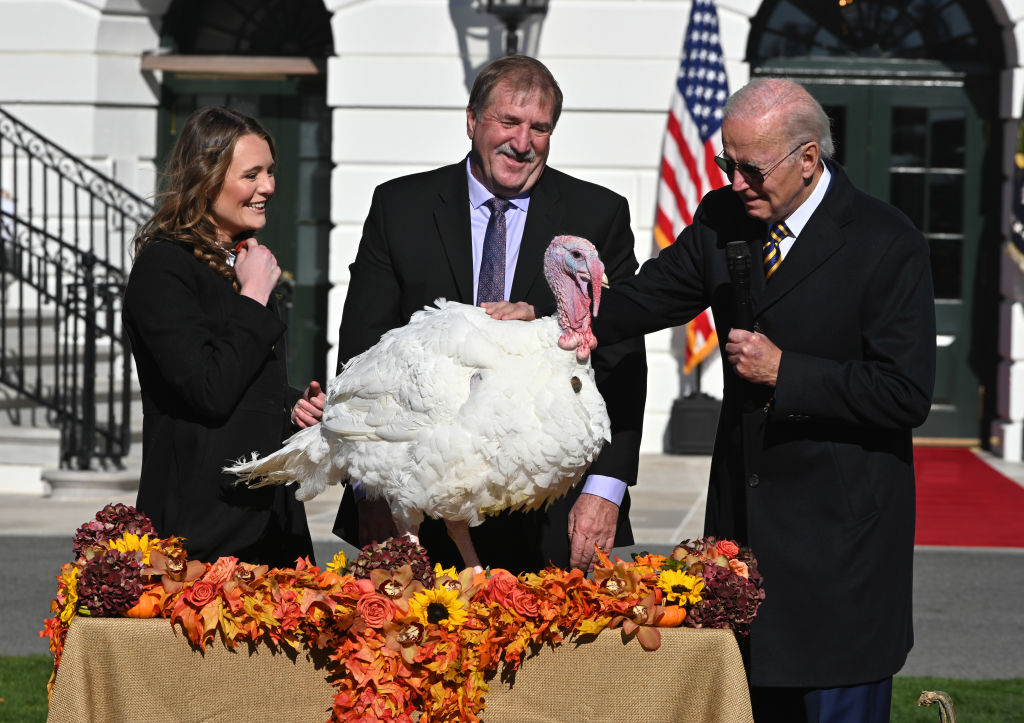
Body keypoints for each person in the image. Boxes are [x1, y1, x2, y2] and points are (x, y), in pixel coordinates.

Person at [490, 78, 936, 721]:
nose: (735, 181)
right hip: (743, 540)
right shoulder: (725, 216)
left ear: (808, 160)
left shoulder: (886, 242)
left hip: (842, 551)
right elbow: (646, 300)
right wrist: (548, 316)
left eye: (750, 168)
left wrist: (789, 372)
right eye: (726, 163)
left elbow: (906, 393)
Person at [332, 55, 648, 574]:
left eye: (540, 128)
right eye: (509, 122)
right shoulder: (400, 207)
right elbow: (362, 352)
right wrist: (369, 488)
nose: (523, 143)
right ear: (472, 120)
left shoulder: (597, 215)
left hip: (549, 510)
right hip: (418, 504)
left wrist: (606, 490)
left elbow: (621, 362)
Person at [123, 106, 326, 568]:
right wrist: (254, 295)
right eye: (251, 174)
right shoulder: (164, 267)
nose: (268, 188)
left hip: (270, 517)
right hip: (201, 526)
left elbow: (242, 379)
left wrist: (290, 404)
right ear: (206, 178)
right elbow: (206, 390)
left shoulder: (240, 260)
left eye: (270, 172)